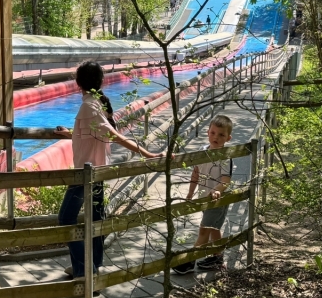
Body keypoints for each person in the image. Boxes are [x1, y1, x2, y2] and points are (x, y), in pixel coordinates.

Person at [55, 61, 163, 280]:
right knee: (95, 219)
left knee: (65, 219)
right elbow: (93, 133)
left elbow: (114, 136)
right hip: (97, 172)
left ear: (78, 83)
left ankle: (85, 270)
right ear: (100, 81)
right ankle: (89, 265)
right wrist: (71, 133)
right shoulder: (94, 103)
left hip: (84, 175)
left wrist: (147, 154)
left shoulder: (89, 106)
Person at [174, 115, 234, 274]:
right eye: (213, 133)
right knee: (214, 229)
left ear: (228, 138)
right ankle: (217, 257)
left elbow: (226, 181)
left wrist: (217, 190)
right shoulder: (202, 151)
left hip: (216, 201)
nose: (216, 137)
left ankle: (188, 262)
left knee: (204, 230)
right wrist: (190, 192)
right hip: (203, 198)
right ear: (208, 132)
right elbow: (196, 173)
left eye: (221, 135)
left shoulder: (225, 156)